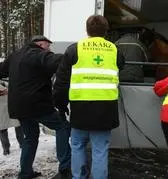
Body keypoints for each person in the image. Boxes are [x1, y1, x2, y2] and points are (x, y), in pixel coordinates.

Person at [53, 15, 124, 179]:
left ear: (87, 30)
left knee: (77, 145)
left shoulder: (74, 49)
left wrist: (61, 106)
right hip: (106, 110)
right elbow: (121, 64)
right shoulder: (114, 50)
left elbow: (61, 82)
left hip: (80, 110)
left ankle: (79, 177)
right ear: (106, 31)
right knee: (100, 149)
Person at [0, 35, 71, 179]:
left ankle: (25, 173)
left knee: (30, 138)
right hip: (37, 105)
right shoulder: (39, 54)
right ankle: (65, 167)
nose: (49, 49)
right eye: (48, 46)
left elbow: (1, 71)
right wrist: (72, 55)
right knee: (62, 127)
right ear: (40, 44)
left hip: (18, 107)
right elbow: (58, 60)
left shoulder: (15, 55)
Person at [0, 87, 23, 155]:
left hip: (11, 101)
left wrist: (9, 89)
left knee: (17, 124)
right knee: (2, 127)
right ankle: (6, 148)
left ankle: (22, 143)